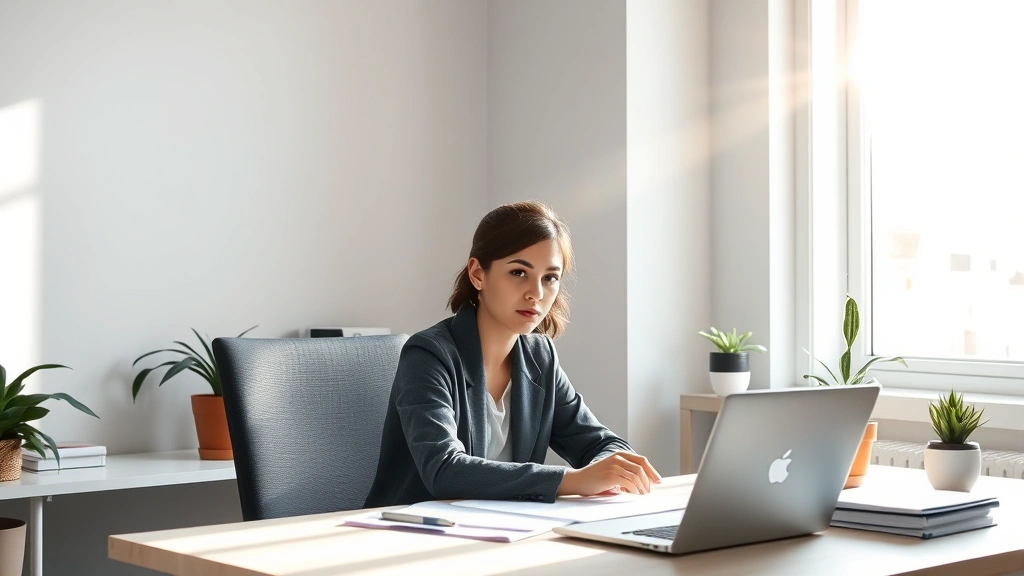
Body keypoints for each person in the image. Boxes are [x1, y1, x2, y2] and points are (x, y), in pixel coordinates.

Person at [364, 201, 661, 507]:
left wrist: (611, 468)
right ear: (478, 274)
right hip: (412, 530)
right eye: (519, 272)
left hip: (504, 530)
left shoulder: (540, 356)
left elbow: (603, 444)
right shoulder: (427, 355)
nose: (537, 293)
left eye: (550, 277)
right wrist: (573, 481)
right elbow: (444, 471)